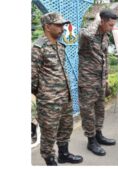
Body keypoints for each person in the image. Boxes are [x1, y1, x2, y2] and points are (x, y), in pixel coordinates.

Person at [31, 12, 83, 165]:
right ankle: (50, 160)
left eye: (63, 25)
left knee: (66, 127)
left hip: (65, 97)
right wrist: (43, 94)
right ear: (48, 26)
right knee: (48, 133)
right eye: (59, 25)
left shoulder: (60, 46)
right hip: (49, 101)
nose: (62, 28)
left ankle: (64, 154)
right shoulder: (38, 48)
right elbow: (32, 77)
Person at [78, 9, 117, 156]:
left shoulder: (105, 36)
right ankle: (91, 140)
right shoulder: (87, 34)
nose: (112, 28)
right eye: (111, 25)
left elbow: (105, 58)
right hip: (87, 81)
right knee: (88, 111)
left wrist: (106, 78)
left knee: (100, 109)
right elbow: (86, 34)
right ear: (102, 22)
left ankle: (98, 134)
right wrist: (96, 20)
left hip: (100, 80)